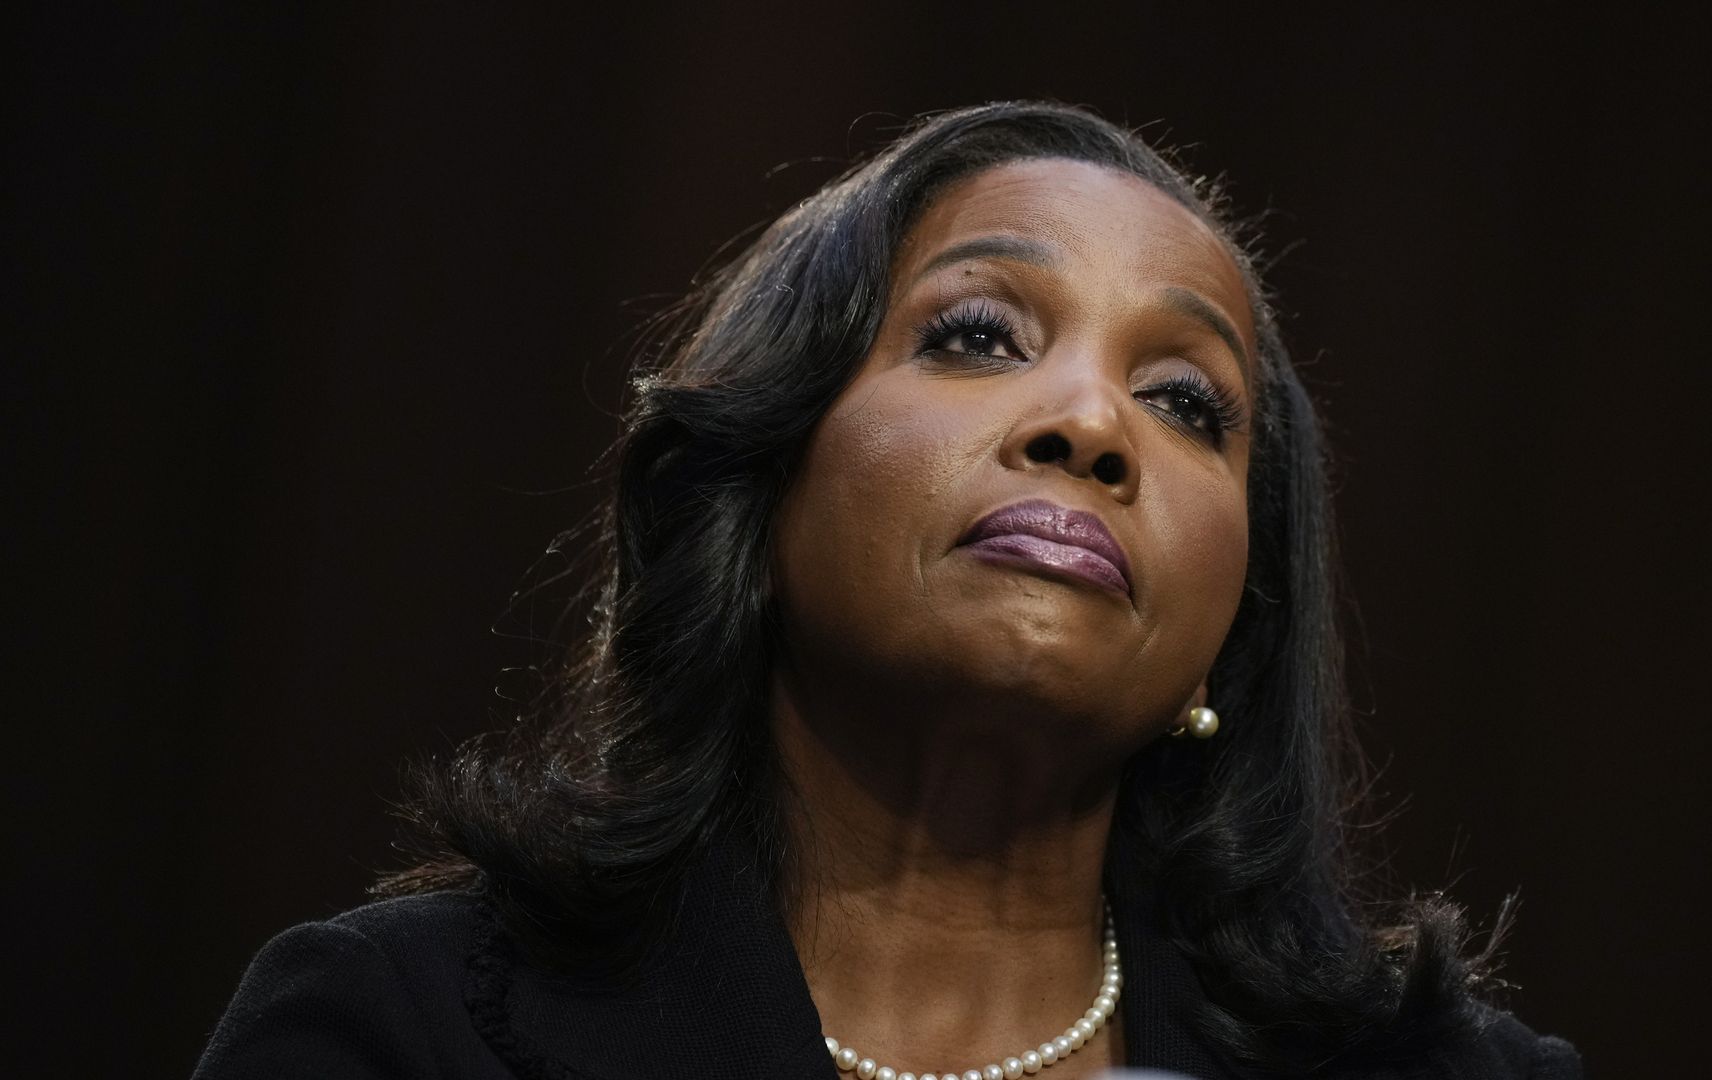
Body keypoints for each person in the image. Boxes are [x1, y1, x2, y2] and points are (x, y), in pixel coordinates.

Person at [194, 101, 1582, 1079]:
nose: (1093, 424)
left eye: (1186, 403)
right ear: (761, 479)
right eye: (979, 335)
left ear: (1236, 624)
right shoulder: (401, 1028)